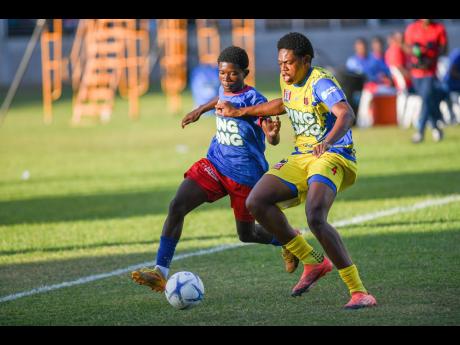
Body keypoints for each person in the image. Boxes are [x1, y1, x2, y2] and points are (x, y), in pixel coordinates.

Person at [215, 32, 377, 309]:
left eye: (288, 63)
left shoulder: (321, 82)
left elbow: (346, 113)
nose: (283, 69)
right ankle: (312, 261)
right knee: (256, 201)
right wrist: (242, 113)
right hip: (302, 156)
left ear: (305, 60)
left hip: (333, 155)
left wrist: (326, 142)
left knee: (315, 216)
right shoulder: (288, 80)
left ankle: (359, 291)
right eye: (280, 64)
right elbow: (284, 104)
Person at [131, 46, 294, 293]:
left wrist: (272, 135)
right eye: (222, 73)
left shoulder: (254, 100)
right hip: (215, 164)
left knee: (246, 235)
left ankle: (287, 240)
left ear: (245, 73)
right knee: (177, 205)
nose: (226, 80)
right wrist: (200, 110)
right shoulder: (223, 88)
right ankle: (160, 272)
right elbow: (220, 98)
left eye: (233, 75)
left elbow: (270, 134)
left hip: (245, 177)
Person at [404, 19, 448, 143]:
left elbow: (444, 49)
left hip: (430, 72)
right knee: (427, 100)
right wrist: (416, 52)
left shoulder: (439, 28)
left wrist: (432, 57)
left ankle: (420, 131)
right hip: (416, 72)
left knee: (426, 98)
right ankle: (435, 126)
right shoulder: (412, 28)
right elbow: (407, 47)